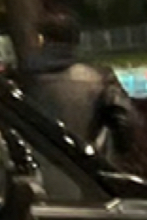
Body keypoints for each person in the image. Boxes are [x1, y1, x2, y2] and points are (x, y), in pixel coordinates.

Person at [20, 9, 142, 167]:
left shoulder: (17, 79)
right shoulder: (100, 78)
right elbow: (126, 123)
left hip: (35, 169)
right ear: (76, 41)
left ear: (41, 39)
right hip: (84, 170)